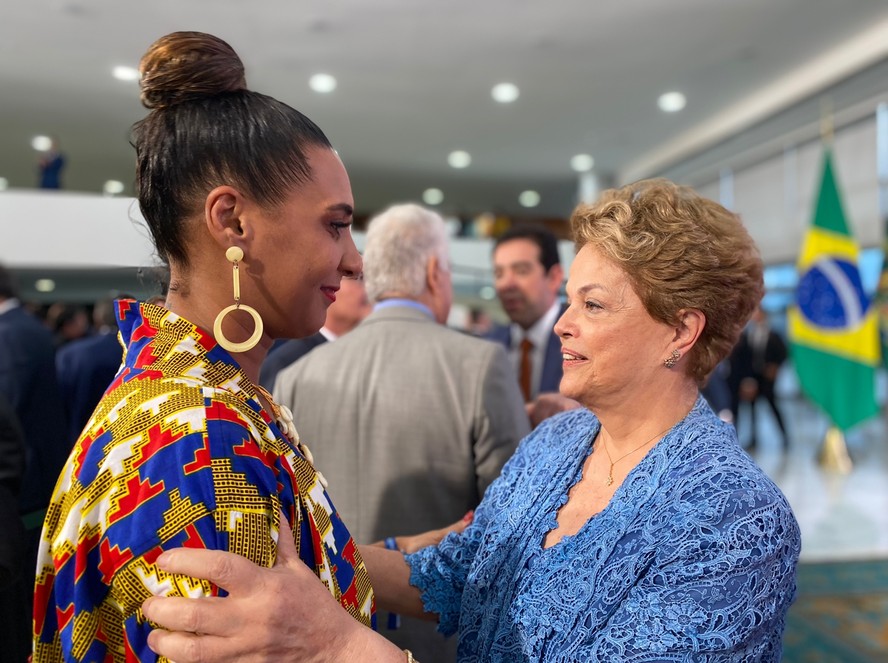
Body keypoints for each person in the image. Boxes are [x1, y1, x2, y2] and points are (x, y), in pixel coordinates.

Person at [142, 179, 801, 662]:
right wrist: (293, 551)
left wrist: (337, 646)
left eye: (593, 305)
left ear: (681, 330)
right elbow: (456, 569)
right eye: (569, 300)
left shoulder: (736, 517)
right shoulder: (559, 441)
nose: (565, 324)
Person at [33, 31, 372, 662]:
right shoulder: (206, 440)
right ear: (233, 221)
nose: (353, 260)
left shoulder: (184, 394)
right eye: (336, 224)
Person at [273, 203, 529, 662]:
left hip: (325, 632)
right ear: (434, 272)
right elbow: (511, 529)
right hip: (438, 639)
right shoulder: (479, 366)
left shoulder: (297, 375)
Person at [0, 264, 68, 663]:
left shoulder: (10, 335)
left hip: (22, 493)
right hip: (35, 481)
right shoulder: (27, 328)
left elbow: (10, 417)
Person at [487, 226, 579, 426]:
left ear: (554, 277)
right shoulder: (488, 347)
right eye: (499, 273)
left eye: (521, 271)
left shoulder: (581, 339)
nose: (506, 284)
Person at [258, 273, 371, 389]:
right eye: (359, 279)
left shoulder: (370, 355)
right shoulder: (289, 363)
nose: (370, 289)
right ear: (327, 288)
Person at [55, 297, 127, 445]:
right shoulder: (141, 353)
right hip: (128, 440)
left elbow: (59, 401)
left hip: (80, 440)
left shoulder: (70, 354)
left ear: (98, 318)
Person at [728, 305, 789, 450]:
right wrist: (748, 379)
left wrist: (775, 367)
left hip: (767, 379)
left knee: (773, 406)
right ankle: (753, 439)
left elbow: (782, 353)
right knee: (751, 409)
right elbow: (745, 359)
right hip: (752, 377)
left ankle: (785, 437)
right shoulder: (747, 336)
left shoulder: (773, 335)